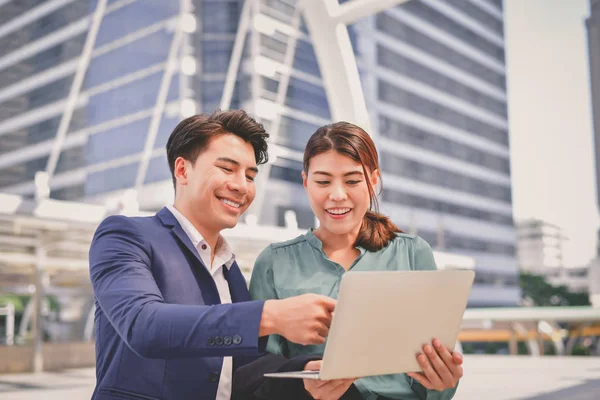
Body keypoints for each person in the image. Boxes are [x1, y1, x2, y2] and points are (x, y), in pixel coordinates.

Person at [89, 110, 337, 400]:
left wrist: (307, 373)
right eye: (227, 168)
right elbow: (145, 325)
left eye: (250, 175)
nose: (241, 186)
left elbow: (242, 373)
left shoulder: (230, 272)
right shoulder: (125, 236)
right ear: (182, 170)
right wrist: (271, 315)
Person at [249, 122, 464, 400]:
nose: (337, 195)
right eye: (323, 181)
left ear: (373, 180)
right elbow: (261, 372)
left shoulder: (412, 254)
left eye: (352, 180)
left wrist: (443, 383)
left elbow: (436, 381)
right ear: (305, 182)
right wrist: (303, 379)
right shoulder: (274, 262)